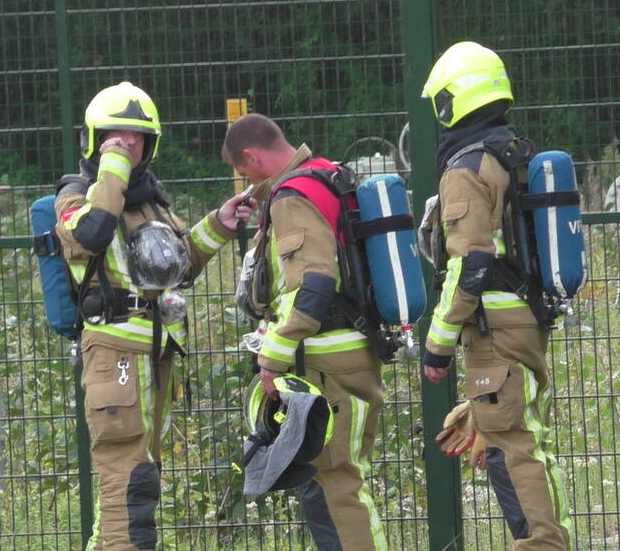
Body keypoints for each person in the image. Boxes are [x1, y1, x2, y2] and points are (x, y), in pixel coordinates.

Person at [55, 81, 254, 550]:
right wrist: (113, 168)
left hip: (157, 354)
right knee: (127, 481)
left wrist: (219, 224)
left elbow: (175, 265)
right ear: (93, 139)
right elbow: (92, 234)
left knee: (142, 478)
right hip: (114, 355)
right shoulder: (76, 196)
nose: (126, 144)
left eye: (136, 138)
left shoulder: (152, 203)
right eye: (114, 136)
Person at [420, 42, 574, 550]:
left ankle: (541, 546)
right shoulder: (515, 153)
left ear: (453, 101)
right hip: (524, 320)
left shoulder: (467, 165)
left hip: (496, 331)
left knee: (511, 451)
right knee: (524, 442)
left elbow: (471, 263)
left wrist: (437, 345)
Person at [223, 113, 387, 551]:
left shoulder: (291, 196)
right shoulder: (328, 178)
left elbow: (313, 284)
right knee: (339, 488)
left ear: (251, 156)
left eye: (244, 173)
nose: (247, 183)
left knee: (336, 494)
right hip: (351, 351)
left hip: (326, 364)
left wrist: (270, 360)